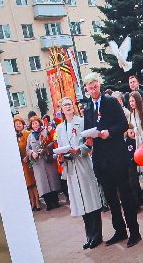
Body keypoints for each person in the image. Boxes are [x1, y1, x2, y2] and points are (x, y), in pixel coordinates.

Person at [81, 78, 140, 247]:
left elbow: (123, 124)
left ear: (99, 85)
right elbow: (87, 130)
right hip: (101, 160)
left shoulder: (111, 102)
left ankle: (134, 232)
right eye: (90, 88)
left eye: (95, 87)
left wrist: (110, 132)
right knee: (111, 198)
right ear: (86, 89)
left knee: (126, 195)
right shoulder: (88, 107)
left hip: (117, 156)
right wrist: (88, 139)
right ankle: (119, 231)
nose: (93, 90)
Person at [53, 96, 103, 250]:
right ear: (61, 109)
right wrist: (61, 157)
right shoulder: (60, 128)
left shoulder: (81, 122)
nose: (68, 107)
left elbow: (89, 143)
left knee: (90, 198)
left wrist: (79, 150)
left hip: (83, 163)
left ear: (73, 107)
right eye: (64, 105)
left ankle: (97, 235)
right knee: (80, 201)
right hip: (71, 167)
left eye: (69, 104)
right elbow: (60, 147)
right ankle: (89, 235)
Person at [27, 113, 62, 210]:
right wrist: (32, 153)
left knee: (52, 182)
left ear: (39, 123)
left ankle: (55, 201)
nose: (35, 125)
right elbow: (27, 149)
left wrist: (46, 149)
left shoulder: (45, 131)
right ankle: (48, 204)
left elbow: (52, 142)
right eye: (33, 124)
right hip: (38, 163)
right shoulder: (30, 136)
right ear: (31, 125)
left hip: (48, 160)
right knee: (43, 184)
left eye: (36, 123)